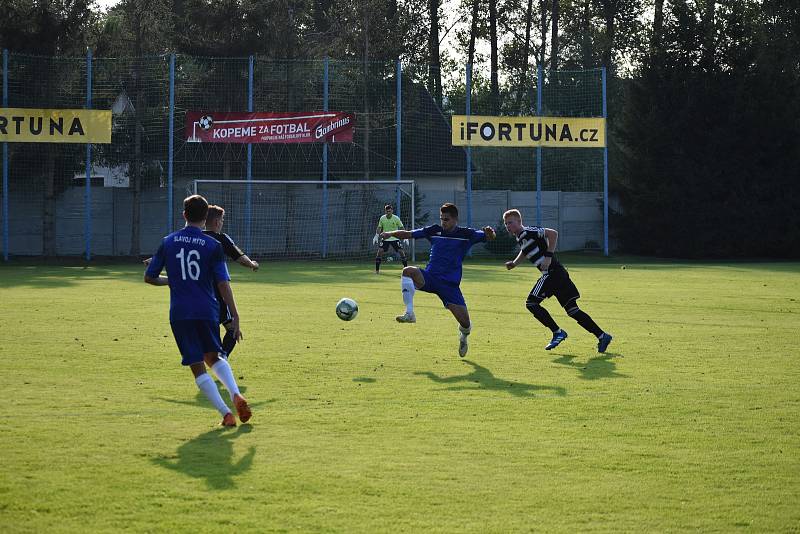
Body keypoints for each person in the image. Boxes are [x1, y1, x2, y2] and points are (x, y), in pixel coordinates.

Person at [144, 194, 252, 427]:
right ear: (206, 218)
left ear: (184, 215)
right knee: (214, 357)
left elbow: (149, 277)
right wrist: (235, 314)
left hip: (181, 313)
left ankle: (226, 413)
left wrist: (172, 280)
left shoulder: (168, 242)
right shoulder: (213, 245)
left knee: (197, 365)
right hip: (208, 310)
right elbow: (223, 284)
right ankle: (235, 393)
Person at [381, 203, 496, 357]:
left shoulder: (466, 234)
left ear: (455, 219)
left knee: (466, 324)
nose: (443, 222)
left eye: (446, 219)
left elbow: (489, 237)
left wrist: (490, 233)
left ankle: (463, 336)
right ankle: (409, 313)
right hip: (431, 278)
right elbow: (409, 234)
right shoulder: (435, 230)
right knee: (408, 271)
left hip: (450, 286)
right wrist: (390, 234)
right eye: (442, 219)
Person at [502, 209, 613, 353]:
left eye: (510, 222)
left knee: (531, 303)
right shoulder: (521, 237)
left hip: (552, 273)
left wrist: (548, 257)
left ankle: (557, 332)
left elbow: (553, 233)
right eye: (506, 224)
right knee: (573, 310)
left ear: (519, 221)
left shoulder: (530, 231)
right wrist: (515, 263)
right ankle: (602, 336)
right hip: (559, 274)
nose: (507, 226)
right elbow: (525, 250)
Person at [204, 205, 259, 359]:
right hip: (217, 293)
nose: (222, 223)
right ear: (216, 222)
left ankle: (215, 357)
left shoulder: (196, 238)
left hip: (196, 293)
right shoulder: (221, 239)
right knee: (233, 329)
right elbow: (241, 258)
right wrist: (253, 265)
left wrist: (155, 260)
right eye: (221, 220)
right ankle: (221, 358)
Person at [373, 204, 408, 274]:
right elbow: (379, 227)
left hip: (395, 238)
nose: (388, 213)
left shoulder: (396, 218)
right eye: (387, 211)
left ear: (392, 211)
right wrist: (376, 236)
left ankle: (406, 270)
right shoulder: (382, 218)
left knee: (401, 252)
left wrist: (405, 236)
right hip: (385, 238)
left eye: (389, 211)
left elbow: (401, 227)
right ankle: (377, 271)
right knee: (379, 252)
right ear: (385, 211)